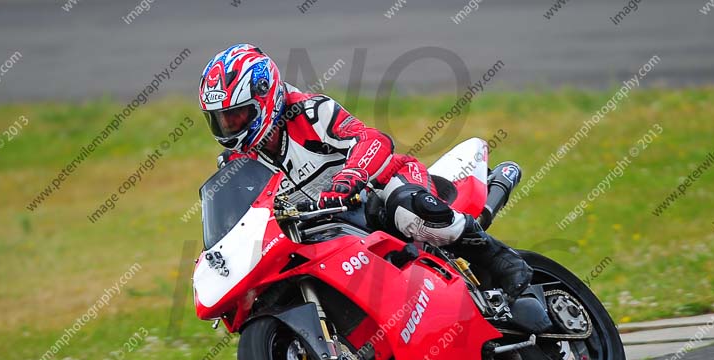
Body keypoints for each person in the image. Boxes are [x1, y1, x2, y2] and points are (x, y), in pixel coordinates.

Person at [198, 44, 531, 300]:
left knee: (408, 212)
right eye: (221, 119)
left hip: (377, 189)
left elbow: (372, 140)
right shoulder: (237, 166)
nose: (229, 127)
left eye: (237, 115)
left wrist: (349, 177)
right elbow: (239, 224)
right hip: (325, 231)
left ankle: (501, 259)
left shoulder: (310, 113)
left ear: (265, 97)